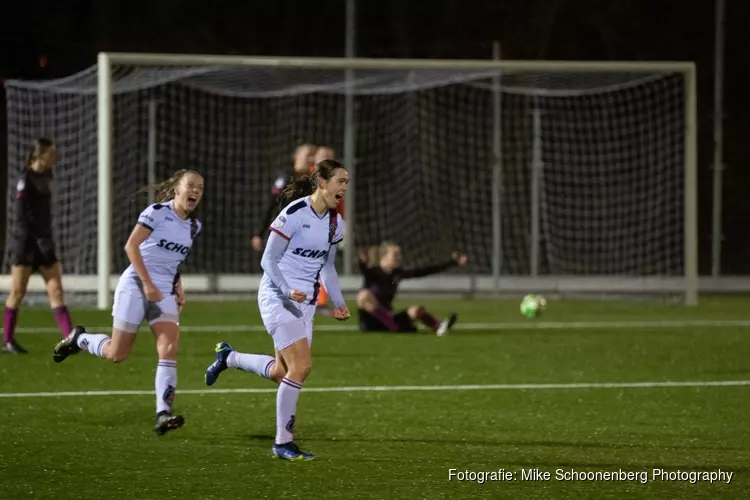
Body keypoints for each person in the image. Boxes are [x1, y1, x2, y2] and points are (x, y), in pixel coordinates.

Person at [205, 159, 350, 460]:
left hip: (305, 304)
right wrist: (286, 290)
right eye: (340, 181)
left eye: (346, 182)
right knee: (302, 367)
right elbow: (268, 260)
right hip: (277, 296)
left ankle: (229, 358)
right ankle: (283, 442)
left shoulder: (336, 223)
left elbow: (328, 268)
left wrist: (338, 301)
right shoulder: (294, 214)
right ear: (322, 182)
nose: (344, 188)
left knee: (283, 371)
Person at [52, 169, 204, 436]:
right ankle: (80, 339)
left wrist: (178, 287)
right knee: (117, 354)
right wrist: (147, 283)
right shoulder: (157, 212)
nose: (195, 191)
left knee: (168, 348)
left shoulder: (194, 226)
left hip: (163, 293)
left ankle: (162, 414)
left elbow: (173, 261)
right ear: (177, 189)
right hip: (135, 284)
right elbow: (131, 247)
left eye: (200, 188)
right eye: (190, 185)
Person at [2, 138, 74, 354]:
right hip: (25, 244)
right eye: (51, 153)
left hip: (44, 243)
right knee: (18, 291)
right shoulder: (24, 179)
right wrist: (35, 240)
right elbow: (21, 217)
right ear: (38, 155)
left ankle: (70, 340)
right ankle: (8, 340)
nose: (55, 157)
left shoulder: (47, 177)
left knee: (56, 291)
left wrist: (46, 240)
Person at [356, 242, 468, 335]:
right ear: (384, 257)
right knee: (363, 296)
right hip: (371, 322)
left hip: (390, 318)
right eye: (396, 255)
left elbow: (423, 271)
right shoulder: (372, 272)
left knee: (416, 310)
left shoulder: (397, 274)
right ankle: (395, 327)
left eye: (400, 254)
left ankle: (439, 327)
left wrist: (452, 263)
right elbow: (363, 269)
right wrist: (361, 261)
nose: (399, 258)